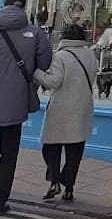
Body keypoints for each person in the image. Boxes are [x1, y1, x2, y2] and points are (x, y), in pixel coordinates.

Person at [0, 0, 52, 215]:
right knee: (9, 154)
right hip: (16, 103)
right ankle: (0, 202)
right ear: (24, 9)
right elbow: (44, 62)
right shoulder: (36, 34)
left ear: (2, 6)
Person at [33, 23, 97, 203]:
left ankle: (54, 181)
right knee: (75, 149)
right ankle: (69, 188)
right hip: (83, 105)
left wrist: (36, 73)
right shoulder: (91, 55)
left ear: (64, 37)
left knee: (51, 145)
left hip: (62, 106)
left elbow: (53, 81)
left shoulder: (60, 56)